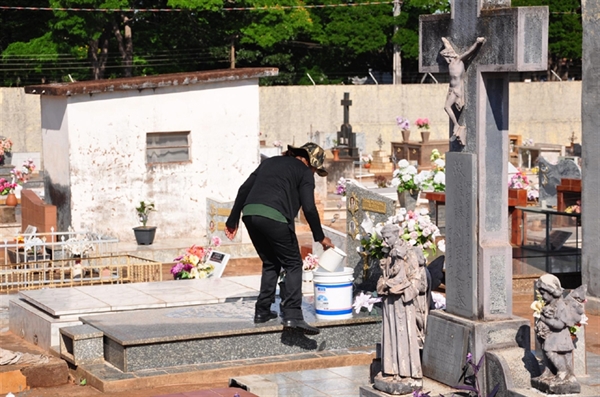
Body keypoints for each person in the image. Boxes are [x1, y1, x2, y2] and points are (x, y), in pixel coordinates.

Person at [225, 142, 333, 335]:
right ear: (310, 162)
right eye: (316, 169)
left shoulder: (270, 162)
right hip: (273, 216)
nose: (315, 172)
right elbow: (308, 207)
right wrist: (320, 237)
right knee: (293, 264)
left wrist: (232, 220)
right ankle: (293, 316)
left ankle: (263, 310)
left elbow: (244, 190)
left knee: (270, 262)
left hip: (250, 214)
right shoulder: (305, 172)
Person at [375, 224, 422, 384]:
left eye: (388, 238)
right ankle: (391, 370)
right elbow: (385, 276)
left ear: (397, 235)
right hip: (389, 301)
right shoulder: (389, 254)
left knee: (402, 334)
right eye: (384, 238)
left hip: (402, 301)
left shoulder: (408, 252)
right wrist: (383, 285)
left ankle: (406, 372)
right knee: (390, 334)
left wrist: (402, 289)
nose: (386, 241)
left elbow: (416, 278)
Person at [441, 36, 485, 146]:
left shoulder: (459, 60)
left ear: (451, 55)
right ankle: (457, 126)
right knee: (447, 107)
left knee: (446, 107)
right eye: (445, 57)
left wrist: (477, 42)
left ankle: (456, 124)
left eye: (447, 56)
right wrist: (445, 41)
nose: (446, 59)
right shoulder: (450, 64)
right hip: (451, 90)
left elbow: (469, 52)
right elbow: (448, 47)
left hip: (457, 91)